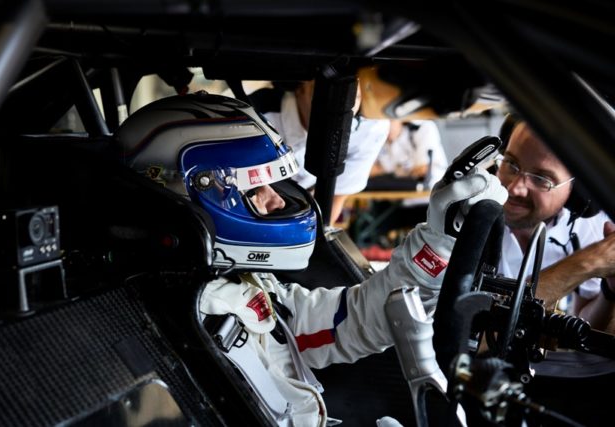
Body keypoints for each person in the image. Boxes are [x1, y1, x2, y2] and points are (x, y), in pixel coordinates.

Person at [114, 92, 507, 426]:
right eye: (256, 187)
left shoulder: (241, 285)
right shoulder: (159, 320)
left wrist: (437, 245)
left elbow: (349, 323)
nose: (278, 200)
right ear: (193, 194)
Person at [495, 114, 615, 332]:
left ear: (576, 192)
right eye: (511, 163)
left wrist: (609, 293)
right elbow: (478, 332)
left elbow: (586, 320)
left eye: (541, 178)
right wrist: (587, 263)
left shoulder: (588, 226)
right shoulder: (464, 213)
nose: (514, 189)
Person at [251, 80, 391, 225]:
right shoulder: (257, 115)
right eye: (324, 92)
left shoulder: (370, 129)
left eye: (353, 97)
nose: (339, 107)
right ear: (300, 87)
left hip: (304, 204)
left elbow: (335, 199)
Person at [368, 119, 448, 190]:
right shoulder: (380, 139)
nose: (385, 126)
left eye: (389, 120)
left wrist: (393, 174)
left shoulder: (422, 127)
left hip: (430, 194)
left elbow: (423, 170)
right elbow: (371, 171)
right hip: (401, 197)